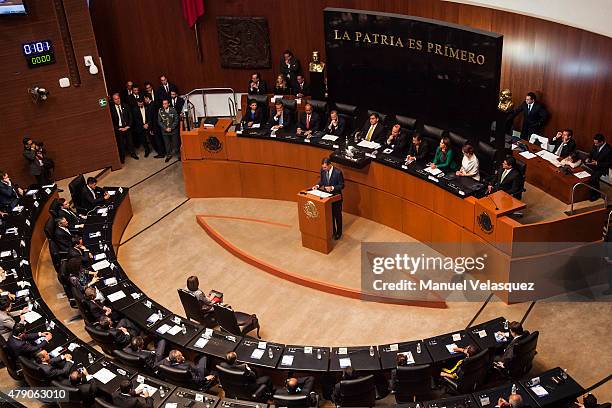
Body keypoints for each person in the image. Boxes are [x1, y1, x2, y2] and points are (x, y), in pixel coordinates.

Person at [313, 157, 344, 240]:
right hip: (326, 198)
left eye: (325, 167)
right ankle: (333, 231)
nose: (323, 169)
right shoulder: (322, 170)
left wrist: (332, 188)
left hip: (336, 198)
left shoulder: (338, 172)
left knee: (337, 216)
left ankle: (339, 232)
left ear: (330, 165)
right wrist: (317, 185)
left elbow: (342, 185)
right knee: (330, 216)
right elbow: (322, 181)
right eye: (323, 167)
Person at [110, 93, 138, 163]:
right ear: (113, 100)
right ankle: (122, 157)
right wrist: (117, 128)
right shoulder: (111, 109)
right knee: (121, 144)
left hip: (127, 127)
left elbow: (131, 117)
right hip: (119, 129)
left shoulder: (126, 105)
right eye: (115, 99)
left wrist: (128, 126)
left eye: (118, 98)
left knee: (130, 142)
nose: (117, 100)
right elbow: (111, 121)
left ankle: (133, 154)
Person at [584, 133, 612, 201]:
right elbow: (591, 153)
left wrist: (597, 163)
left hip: (602, 167)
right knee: (583, 170)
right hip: (594, 164)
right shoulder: (595, 144)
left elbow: (609, 163)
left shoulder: (609, 150)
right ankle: (589, 192)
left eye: (596, 143)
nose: (595, 145)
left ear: (602, 142)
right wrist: (588, 158)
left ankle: (596, 195)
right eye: (594, 143)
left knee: (593, 179)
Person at [143, 94, 165, 158]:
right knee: (159, 140)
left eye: (144, 99)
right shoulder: (153, 104)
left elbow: (152, 118)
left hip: (155, 126)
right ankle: (162, 152)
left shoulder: (151, 105)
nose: (144, 100)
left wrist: (151, 128)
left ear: (147, 98)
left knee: (158, 140)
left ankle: (161, 154)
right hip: (156, 125)